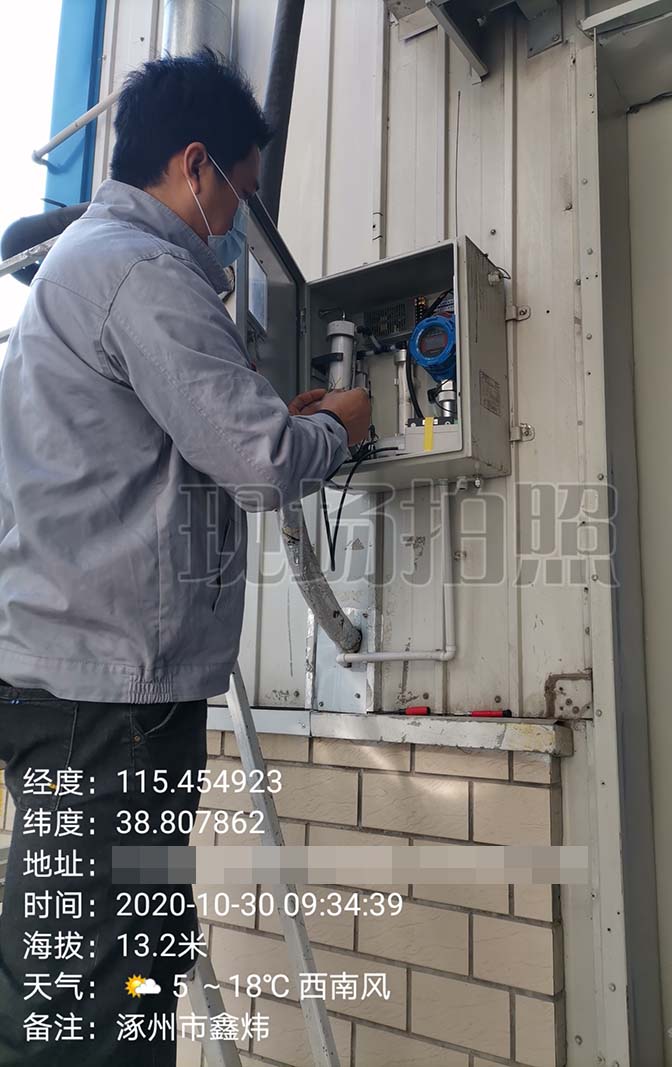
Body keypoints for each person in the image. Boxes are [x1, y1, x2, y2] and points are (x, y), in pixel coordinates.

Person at [0, 48, 370, 1066]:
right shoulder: (142, 272)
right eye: (240, 192)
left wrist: (275, 419)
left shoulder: (86, 268)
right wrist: (337, 425)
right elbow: (262, 464)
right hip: (107, 706)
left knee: (121, 959)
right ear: (195, 165)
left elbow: (166, 451)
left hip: (79, 686)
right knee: (93, 994)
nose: (238, 218)